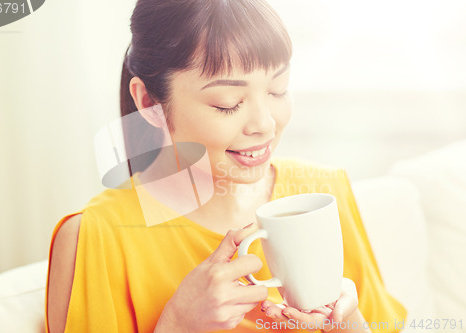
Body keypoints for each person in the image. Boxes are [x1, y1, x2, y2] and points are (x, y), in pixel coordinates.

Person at [45, 0, 407, 332]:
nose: (264, 124)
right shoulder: (95, 238)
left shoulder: (323, 193)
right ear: (148, 102)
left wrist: (348, 323)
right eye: (227, 103)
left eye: (278, 89)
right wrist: (177, 324)